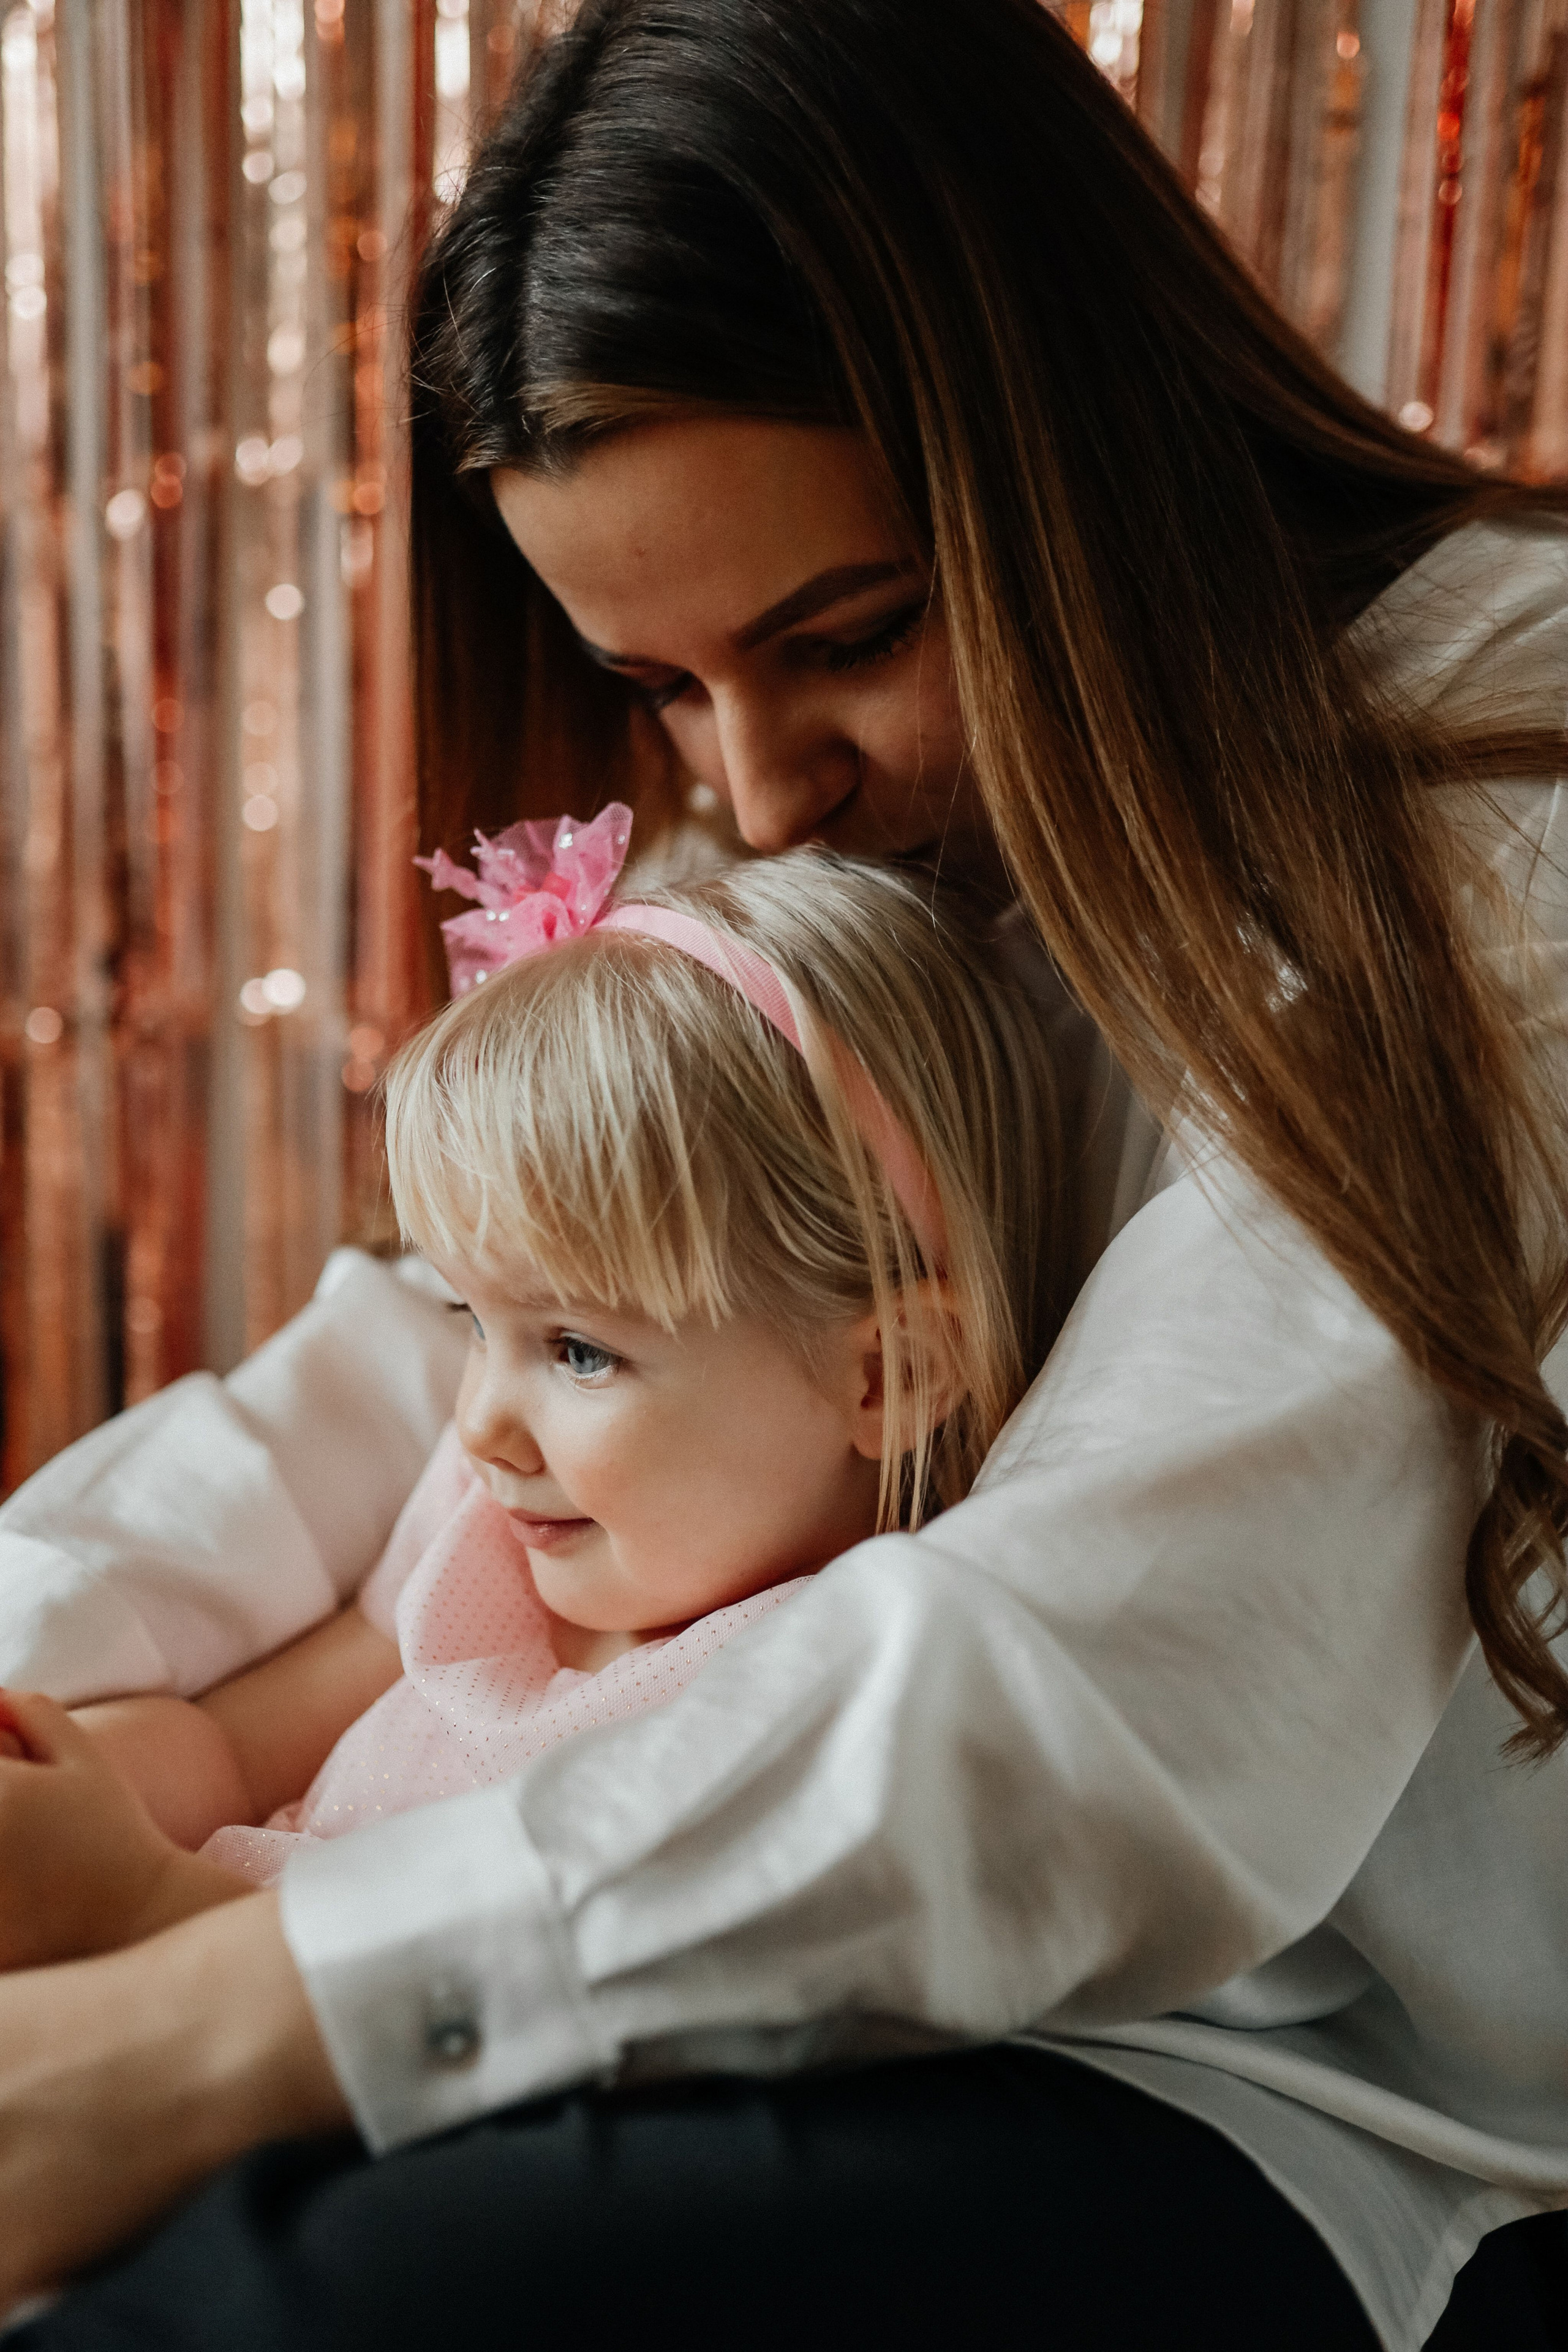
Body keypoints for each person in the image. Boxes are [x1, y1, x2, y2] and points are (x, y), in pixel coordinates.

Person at [0, 0, 1566, 2344]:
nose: (760, 786)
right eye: (659, 689)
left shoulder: (1500, 830)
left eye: (844, 636)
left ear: (1076, 454)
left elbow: (1097, 1689)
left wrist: (181, 2025)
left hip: (1268, 2088)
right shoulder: (884, 808)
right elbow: (416, 1352)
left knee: (259, 2307)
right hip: (837, 1955)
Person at [0, 831, 1058, 1925]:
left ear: (890, 1378)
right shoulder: (496, 1526)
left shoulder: (817, 1687)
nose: (478, 1427)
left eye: (579, 1351)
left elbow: (478, 1978)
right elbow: (234, 1741)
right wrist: (74, 1777)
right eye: (472, 1320)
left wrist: (146, 1898)